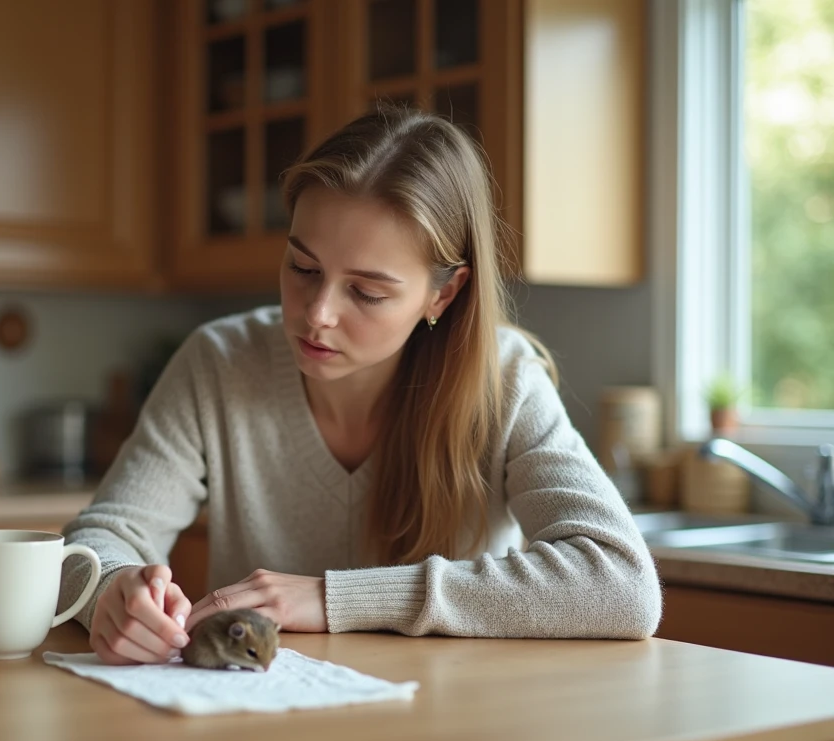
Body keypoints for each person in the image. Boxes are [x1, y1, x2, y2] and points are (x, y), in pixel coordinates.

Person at [58, 104, 662, 666]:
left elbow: (622, 584)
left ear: (443, 293)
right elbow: (97, 541)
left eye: (367, 292)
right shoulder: (219, 364)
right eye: (302, 267)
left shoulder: (503, 383)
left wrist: (332, 598)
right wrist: (112, 590)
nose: (317, 312)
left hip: (446, 740)